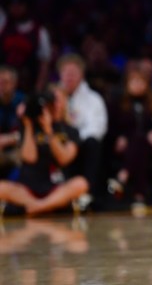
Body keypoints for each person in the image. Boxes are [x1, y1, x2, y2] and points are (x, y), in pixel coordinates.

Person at [0, 86, 88, 216]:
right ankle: (46, 206)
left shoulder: (70, 130)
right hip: (27, 188)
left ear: (65, 103)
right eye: (50, 100)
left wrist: (48, 131)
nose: (53, 104)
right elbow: (29, 158)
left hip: (55, 187)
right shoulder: (30, 125)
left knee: (81, 183)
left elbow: (64, 159)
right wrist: (28, 124)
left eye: (57, 100)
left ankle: (36, 208)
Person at [107, 67, 152, 208]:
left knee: (141, 142)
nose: (137, 85)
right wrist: (120, 136)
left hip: (148, 146)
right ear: (127, 84)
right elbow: (112, 125)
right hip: (125, 145)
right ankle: (140, 195)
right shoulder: (118, 103)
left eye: (141, 82)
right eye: (134, 82)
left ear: (147, 85)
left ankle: (123, 175)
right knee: (138, 144)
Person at [57, 53, 108, 209]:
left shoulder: (93, 99)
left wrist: (74, 142)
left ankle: (86, 193)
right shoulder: (54, 97)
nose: (69, 77)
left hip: (82, 147)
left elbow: (97, 128)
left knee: (92, 143)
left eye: (73, 73)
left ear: (81, 75)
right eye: (66, 73)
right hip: (59, 144)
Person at [0, 0, 51, 93]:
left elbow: (44, 65)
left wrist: (37, 90)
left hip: (27, 87)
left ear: (27, 6)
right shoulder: (3, 25)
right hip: (3, 87)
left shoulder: (40, 32)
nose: (16, 9)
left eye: (19, 5)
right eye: (13, 6)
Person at [0, 65, 23, 178]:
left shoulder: (23, 102)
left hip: (17, 149)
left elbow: (30, 132)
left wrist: (11, 139)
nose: (1, 86)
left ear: (14, 84)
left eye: (5, 82)